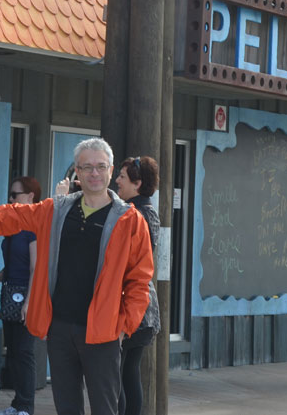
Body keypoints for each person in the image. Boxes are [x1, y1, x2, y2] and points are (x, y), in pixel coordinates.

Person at [0, 137, 153, 415]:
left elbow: (140, 280)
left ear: (111, 170)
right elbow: (11, 216)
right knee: (66, 408)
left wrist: (124, 327)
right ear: (77, 171)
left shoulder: (130, 220)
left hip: (103, 332)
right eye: (87, 167)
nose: (94, 173)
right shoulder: (56, 210)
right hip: (60, 328)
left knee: (105, 409)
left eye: (101, 166)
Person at [0, 176, 41, 415]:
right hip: (9, 292)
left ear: (30, 197)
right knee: (14, 351)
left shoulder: (33, 227)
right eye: (10, 194)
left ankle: (26, 406)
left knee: (25, 351)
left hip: (26, 295)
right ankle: (18, 404)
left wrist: (29, 301)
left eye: (15, 195)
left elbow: (35, 267)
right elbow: (14, 263)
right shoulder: (12, 226)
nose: (10, 199)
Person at [114, 157, 161, 415]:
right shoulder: (143, 210)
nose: (117, 181)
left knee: (118, 372)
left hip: (134, 302)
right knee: (129, 370)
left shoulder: (137, 213)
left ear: (138, 183)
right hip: (144, 305)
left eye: (122, 177)